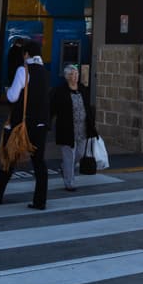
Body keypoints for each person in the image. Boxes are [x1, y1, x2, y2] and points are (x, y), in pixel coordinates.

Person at [0, 38, 51, 210]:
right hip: (41, 124)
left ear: (26, 54)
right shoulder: (45, 72)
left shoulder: (24, 71)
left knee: (9, 158)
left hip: (22, 124)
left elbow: (13, 97)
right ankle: (40, 200)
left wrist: (8, 91)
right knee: (39, 163)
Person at [50, 64, 97, 192]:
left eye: (76, 74)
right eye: (71, 74)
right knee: (69, 155)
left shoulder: (82, 89)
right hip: (67, 128)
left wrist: (92, 123)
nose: (74, 77)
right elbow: (52, 108)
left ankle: (64, 167)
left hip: (82, 127)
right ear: (66, 77)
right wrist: (47, 122)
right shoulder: (60, 91)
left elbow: (87, 107)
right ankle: (69, 182)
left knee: (80, 153)